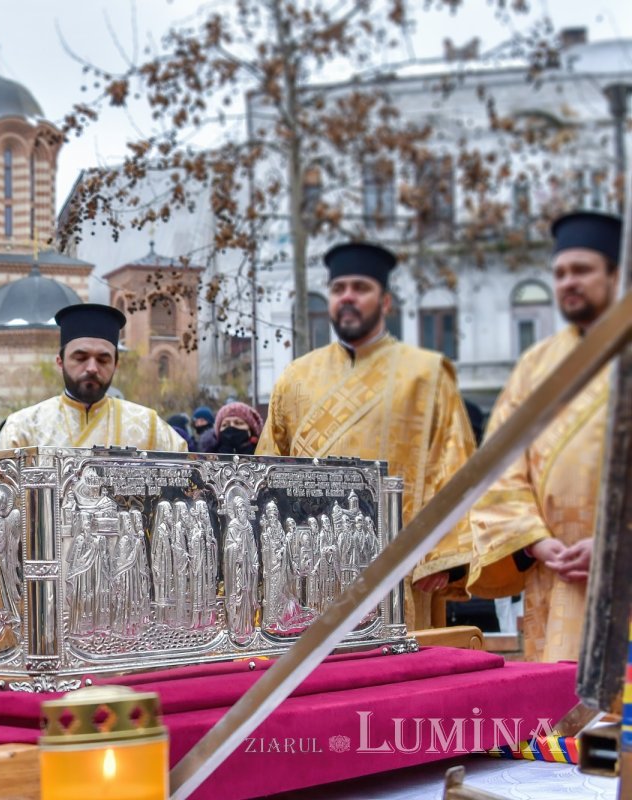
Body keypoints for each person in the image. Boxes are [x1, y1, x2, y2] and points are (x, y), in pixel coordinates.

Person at [256, 242, 476, 629]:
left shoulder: (426, 375)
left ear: (385, 301)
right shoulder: (295, 377)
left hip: (399, 569)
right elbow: (267, 471)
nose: (348, 297)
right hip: (307, 573)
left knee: (398, 665)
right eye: (338, 289)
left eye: (360, 288)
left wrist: (442, 555)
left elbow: (455, 466)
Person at [469, 210, 621, 662]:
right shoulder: (534, 367)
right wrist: (533, 540)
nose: (568, 282)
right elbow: (498, 466)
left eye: (582, 270)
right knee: (562, 702)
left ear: (616, 275)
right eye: (560, 273)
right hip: (555, 578)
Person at [0, 303, 187, 451]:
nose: (92, 368)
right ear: (60, 362)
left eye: (103, 360)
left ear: (116, 364)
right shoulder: (22, 428)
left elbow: (188, 480)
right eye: (80, 358)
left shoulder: (149, 425)